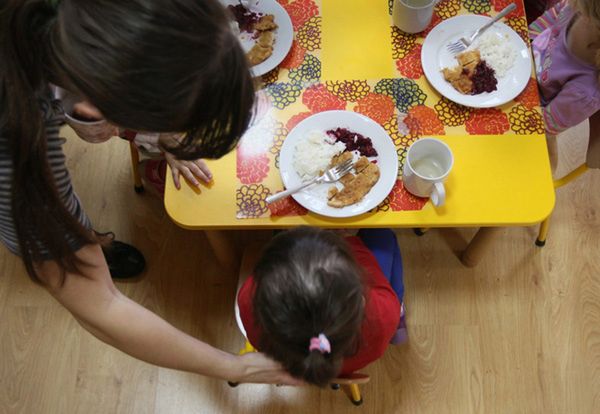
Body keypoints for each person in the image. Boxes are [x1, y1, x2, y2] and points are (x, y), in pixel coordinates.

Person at [0, 0, 297, 385]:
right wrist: (235, 366)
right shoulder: (19, 152)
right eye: (162, 129)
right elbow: (100, 306)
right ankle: (88, 241)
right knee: (63, 241)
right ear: (93, 113)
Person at [237, 227, 407, 386]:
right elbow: (380, 286)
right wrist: (349, 240)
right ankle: (399, 322)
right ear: (359, 297)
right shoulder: (382, 315)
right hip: (356, 354)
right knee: (382, 236)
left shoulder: (248, 299)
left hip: (291, 361)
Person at [530, 0, 600, 168]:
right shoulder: (575, 7)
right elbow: (547, 21)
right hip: (524, 68)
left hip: (534, 115)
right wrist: (525, 43)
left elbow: (545, 125)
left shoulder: (585, 92)